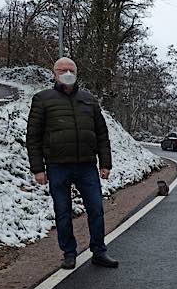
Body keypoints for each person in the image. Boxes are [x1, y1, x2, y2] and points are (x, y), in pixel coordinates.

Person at [26, 57, 118, 270]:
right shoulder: (42, 99)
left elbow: (102, 133)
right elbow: (33, 137)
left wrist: (106, 163)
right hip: (58, 166)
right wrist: (38, 168)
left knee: (96, 209)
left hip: (87, 166)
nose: (67, 72)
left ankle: (99, 251)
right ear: (54, 73)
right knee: (63, 211)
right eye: (62, 69)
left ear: (76, 73)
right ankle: (69, 253)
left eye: (71, 69)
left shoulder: (89, 99)